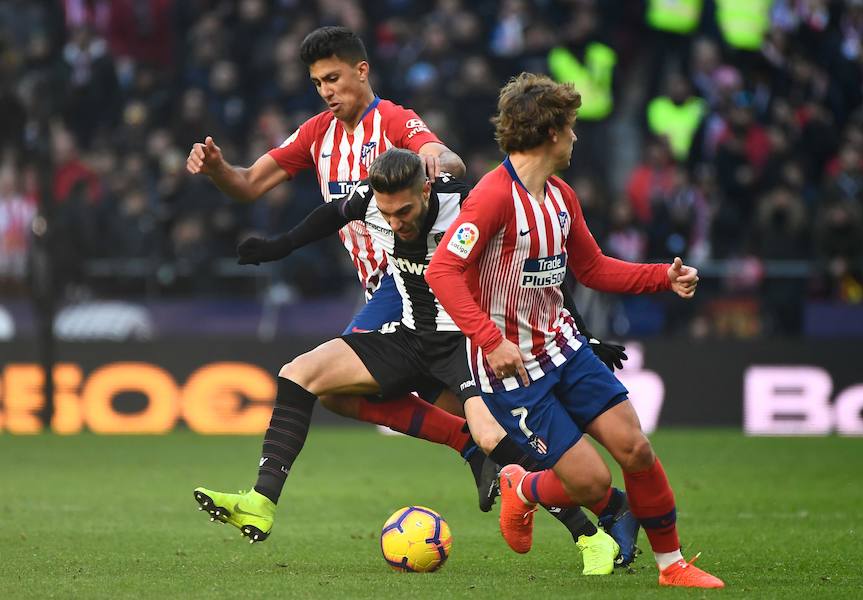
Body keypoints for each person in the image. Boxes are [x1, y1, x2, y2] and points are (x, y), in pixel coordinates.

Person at [194, 149, 639, 575]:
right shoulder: (372, 201)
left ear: (427, 191)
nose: (394, 223)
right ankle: (262, 501)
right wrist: (279, 247)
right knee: (301, 374)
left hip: (466, 344)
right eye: (386, 215)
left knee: (490, 436)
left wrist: (580, 334)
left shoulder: (467, 204)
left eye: (403, 212)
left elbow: (536, 267)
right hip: (410, 336)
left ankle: (587, 534)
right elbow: (331, 215)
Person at [426, 73, 725, 588]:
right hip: (513, 368)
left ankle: (672, 566)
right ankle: (526, 490)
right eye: (571, 128)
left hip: (564, 348)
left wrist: (662, 277)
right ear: (550, 133)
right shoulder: (493, 198)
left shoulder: (560, 196)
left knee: (636, 448)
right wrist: (491, 341)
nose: (575, 138)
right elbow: (442, 272)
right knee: (593, 481)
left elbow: (592, 268)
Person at [184, 27, 494, 509]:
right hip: (377, 289)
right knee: (340, 395)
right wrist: (217, 169)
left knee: (314, 377)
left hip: (412, 280)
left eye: (333, 78)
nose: (326, 90)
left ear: (361, 71)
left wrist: (441, 162)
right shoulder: (316, 134)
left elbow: (437, 150)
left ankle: (262, 500)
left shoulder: (392, 120)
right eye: (317, 83)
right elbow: (247, 183)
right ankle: (483, 450)